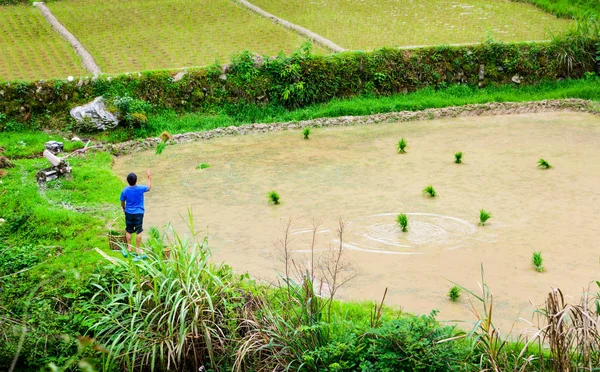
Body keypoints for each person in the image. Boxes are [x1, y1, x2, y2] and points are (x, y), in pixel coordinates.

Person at [120, 170, 151, 257]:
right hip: (139, 213)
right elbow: (148, 188)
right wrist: (149, 177)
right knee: (138, 230)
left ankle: (129, 248)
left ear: (128, 181)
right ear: (136, 180)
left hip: (128, 212)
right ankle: (137, 249)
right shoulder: (140, 188)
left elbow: (122, 201)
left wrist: (124, 208)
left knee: (128, 230)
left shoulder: (125, 190)